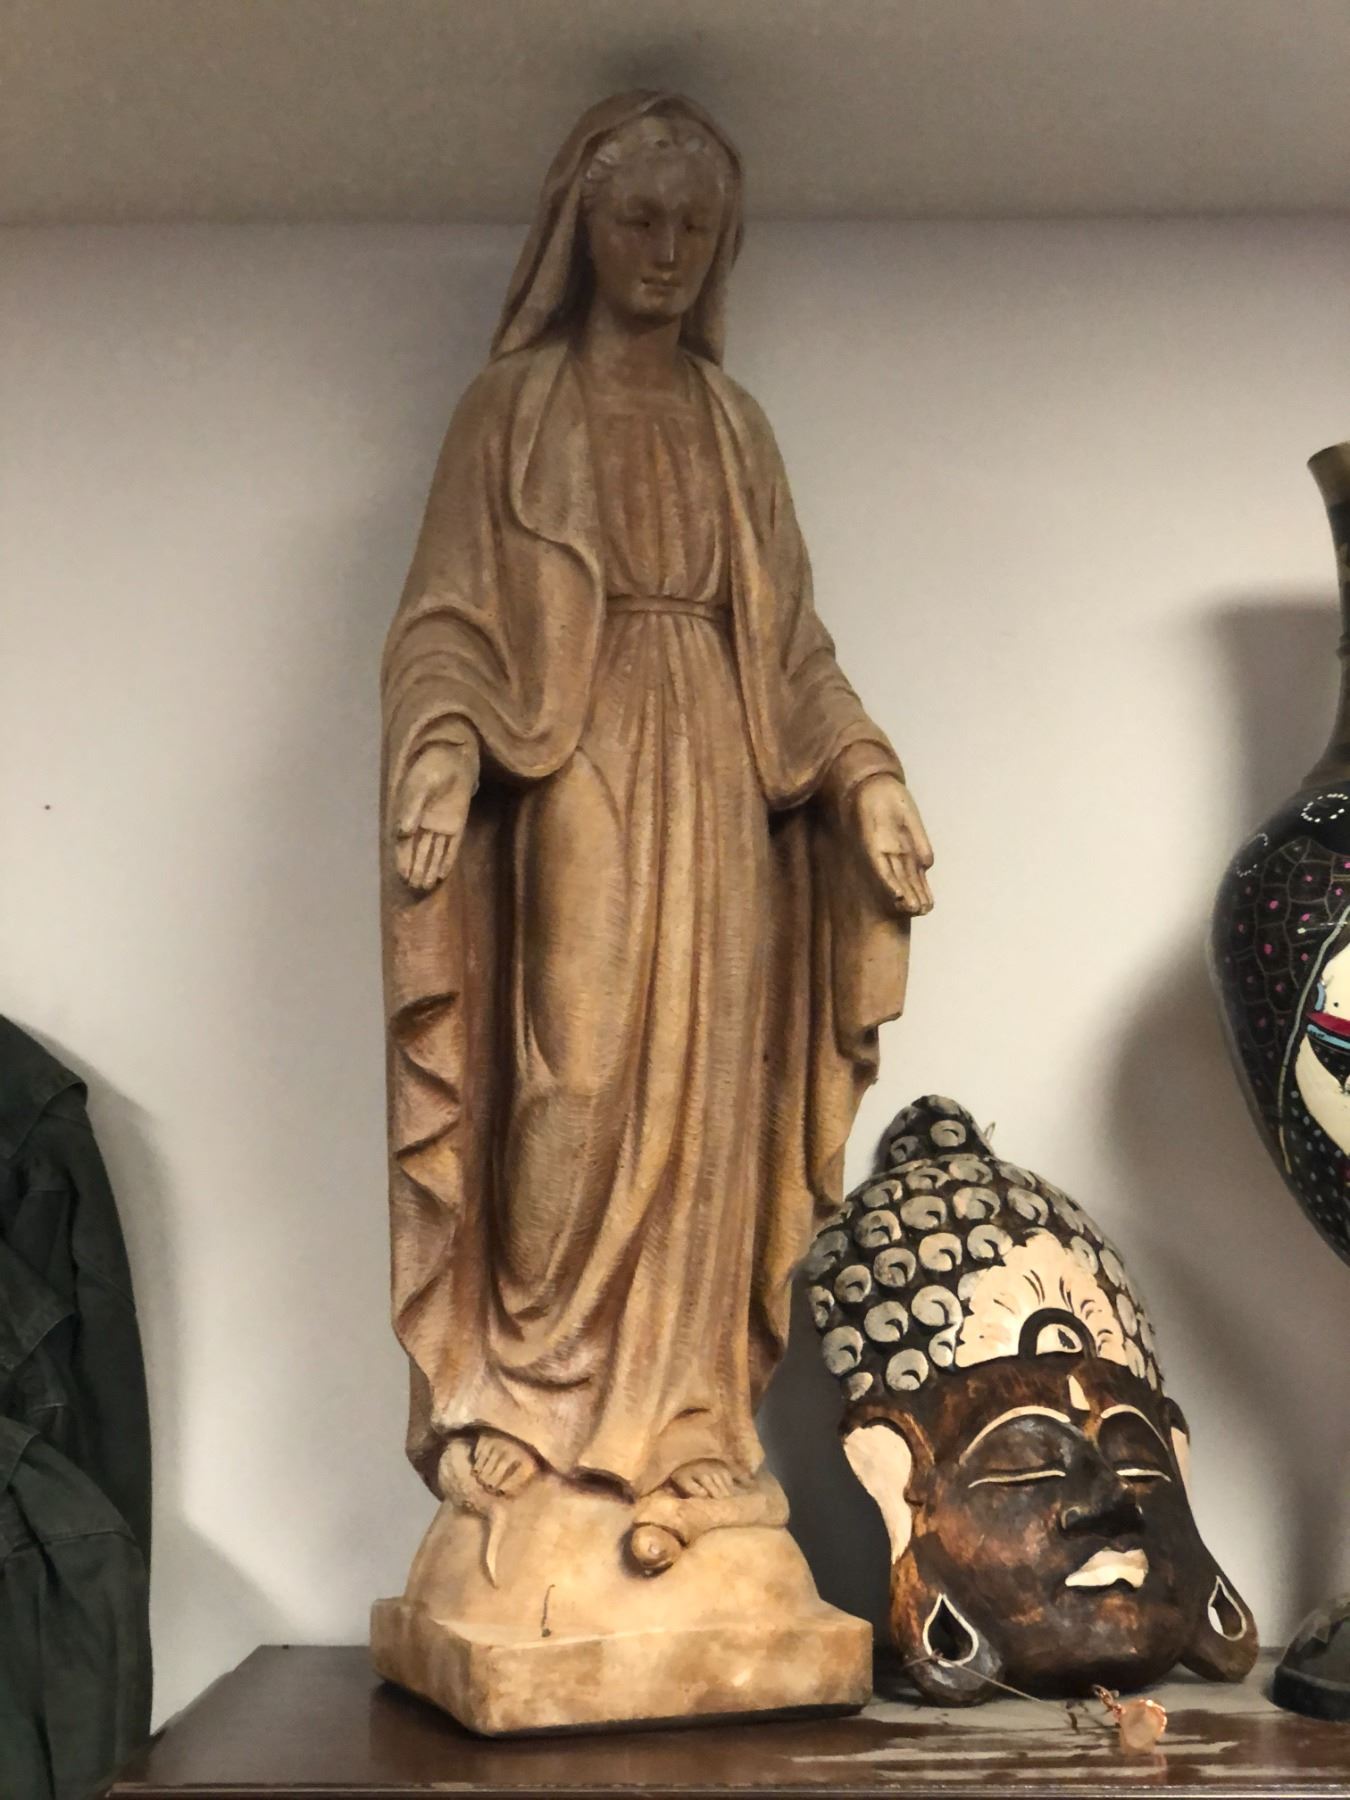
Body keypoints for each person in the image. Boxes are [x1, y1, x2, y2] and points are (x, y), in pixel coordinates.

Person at [381, 91, 933, 1516]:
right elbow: (445, 619)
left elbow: (795, 649)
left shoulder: (734, 426)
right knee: (570, 1070)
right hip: (574, 748)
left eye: (696, 225)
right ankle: (523, 1390)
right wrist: (442, 742)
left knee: (708, 1096)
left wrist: (865, 774)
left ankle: (684, 1411)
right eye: (638, 218)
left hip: (724, 766)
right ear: (582, 230)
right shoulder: (512, 410)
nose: (667, 249)